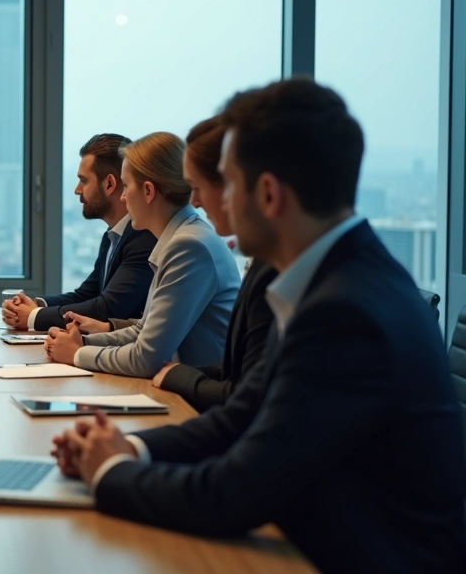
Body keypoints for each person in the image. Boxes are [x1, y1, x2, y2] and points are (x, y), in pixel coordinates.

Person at [52, 78, 466, 573]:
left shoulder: (346, 312)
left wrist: (111, 472)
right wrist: (128, 446)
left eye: (225, 181)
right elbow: (241, 414)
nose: (204, 201)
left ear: (267, 193)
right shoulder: (324, 276)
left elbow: (234, 493)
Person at [44, 132, 239, 377]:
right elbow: (142, 331)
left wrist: (76, 354)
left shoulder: (188, 246)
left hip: (196, 400)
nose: (123, 197)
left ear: (148, 191)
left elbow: (146, 359)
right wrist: (81, 344)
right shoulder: (180, 236)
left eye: (126, 186)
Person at [148, 116, 277, 412]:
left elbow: (247, 405)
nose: (193, 200)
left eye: (198, 186)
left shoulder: (190, 242)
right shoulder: (267, 265)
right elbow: (245, 379)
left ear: (266, 189)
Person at [2, 133, 156, 331]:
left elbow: (107, 308)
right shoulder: (114, 235)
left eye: (83, 181)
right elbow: (87, 295)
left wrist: (33, 316)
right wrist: (37, 305)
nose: (77, 190)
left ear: (109, 184)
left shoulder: (143, 238)